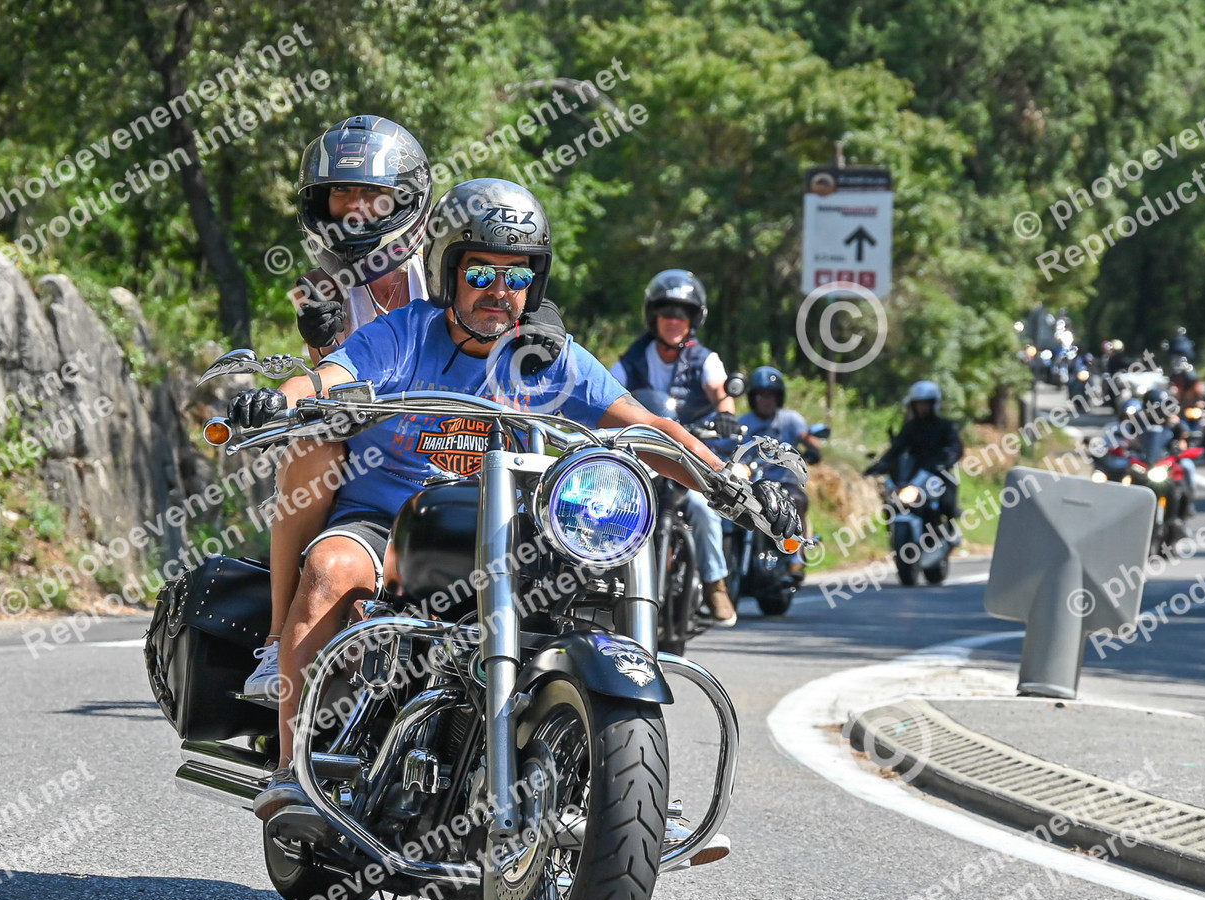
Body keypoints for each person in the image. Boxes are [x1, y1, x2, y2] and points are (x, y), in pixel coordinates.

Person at [227, 178, 802, 820]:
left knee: (597, 577)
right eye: (480, 273)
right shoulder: (405, 334)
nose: (499, 291)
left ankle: (618, 787)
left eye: (517, 276)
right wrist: (279, 399)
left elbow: (647, 427)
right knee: (330, 569)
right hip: (386, 524)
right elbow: (331, 375)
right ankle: (294, 773)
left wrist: (736, 485)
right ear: (447, 272)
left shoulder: (545, 358)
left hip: (509, 531)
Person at [241, 115, 432, 700]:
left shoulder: (445, 264)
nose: (353, 206)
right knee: (312, 448)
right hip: (369, 450)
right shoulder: (318, 285)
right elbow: (329, 389)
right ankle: (278, 639)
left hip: (456, 443)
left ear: (405, 197)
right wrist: (311, 355)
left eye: (371, 191)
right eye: (340, 191)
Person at [610, 269, 740, 626]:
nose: (673, 321)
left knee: (702, 508)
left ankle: (715, 584)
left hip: (690, 455)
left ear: (694, 320)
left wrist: (726, 415)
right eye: (666, 313)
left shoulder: (704, 359)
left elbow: (721, 392)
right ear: (653, 316)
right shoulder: (633, 357)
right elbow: (609, 391)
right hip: (643, 453)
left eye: (682, 314)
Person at [737, 366, 824, 571]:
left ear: (779, 397)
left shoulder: (790, 419)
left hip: (784, 483)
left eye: (771, 395)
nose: (767, 400)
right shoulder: (743, 423)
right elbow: (724, 445)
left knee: (797, 501)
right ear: (753, 398)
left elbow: (808, 439)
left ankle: (796, 558)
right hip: (751, 483)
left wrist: (812, 449)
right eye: (761, 395)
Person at [866, 380, 964, 535]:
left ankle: (950, 527)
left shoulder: (946, 426)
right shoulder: (910, 428)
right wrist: (880, 464)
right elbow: (897, 448)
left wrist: (947, 460)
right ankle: (894, 531)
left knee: (947, 496)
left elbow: (956, 448)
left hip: (936, 471)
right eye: (918, 404)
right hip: (913, 474)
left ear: (933, 404)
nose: (921, 407)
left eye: (925, 404)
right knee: (892, 499)